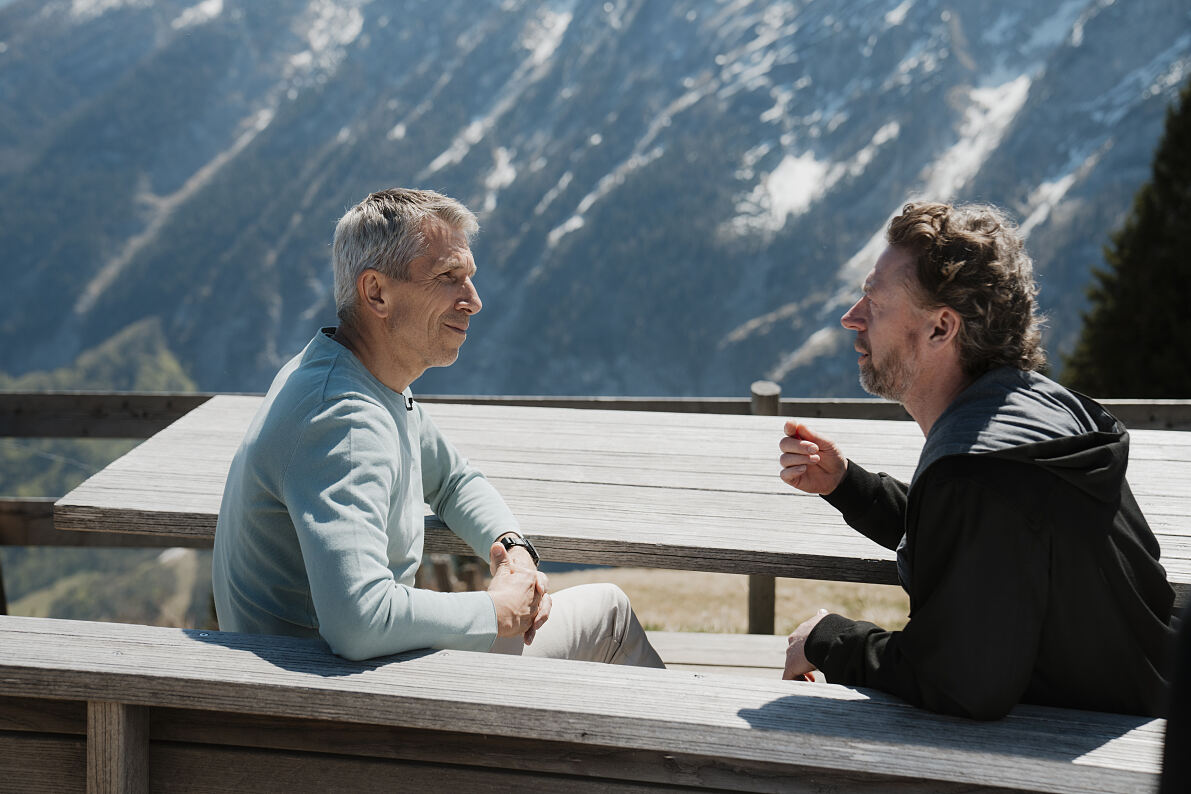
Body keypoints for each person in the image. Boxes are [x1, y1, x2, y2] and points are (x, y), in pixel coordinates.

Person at [213, 188, 663, 668]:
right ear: (376, 293)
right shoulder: (344, 420)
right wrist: (495, 610)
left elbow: (452, 480)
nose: (473, 300)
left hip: (310, 683)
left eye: (468, 277)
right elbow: (359, 621)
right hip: (328, 705)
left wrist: (512, 550)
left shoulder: (354, 375)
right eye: (449, 278)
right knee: (609, 614)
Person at [778, 201, 1174, 720]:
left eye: (874, 301)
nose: (851, 317)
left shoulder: (976, 473)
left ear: (942, 328)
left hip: (1093, 754)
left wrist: (827, 639)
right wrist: (849, 485)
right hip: (1148, 705)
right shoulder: (1040, 410)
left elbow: (959, 683)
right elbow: (985, 541)